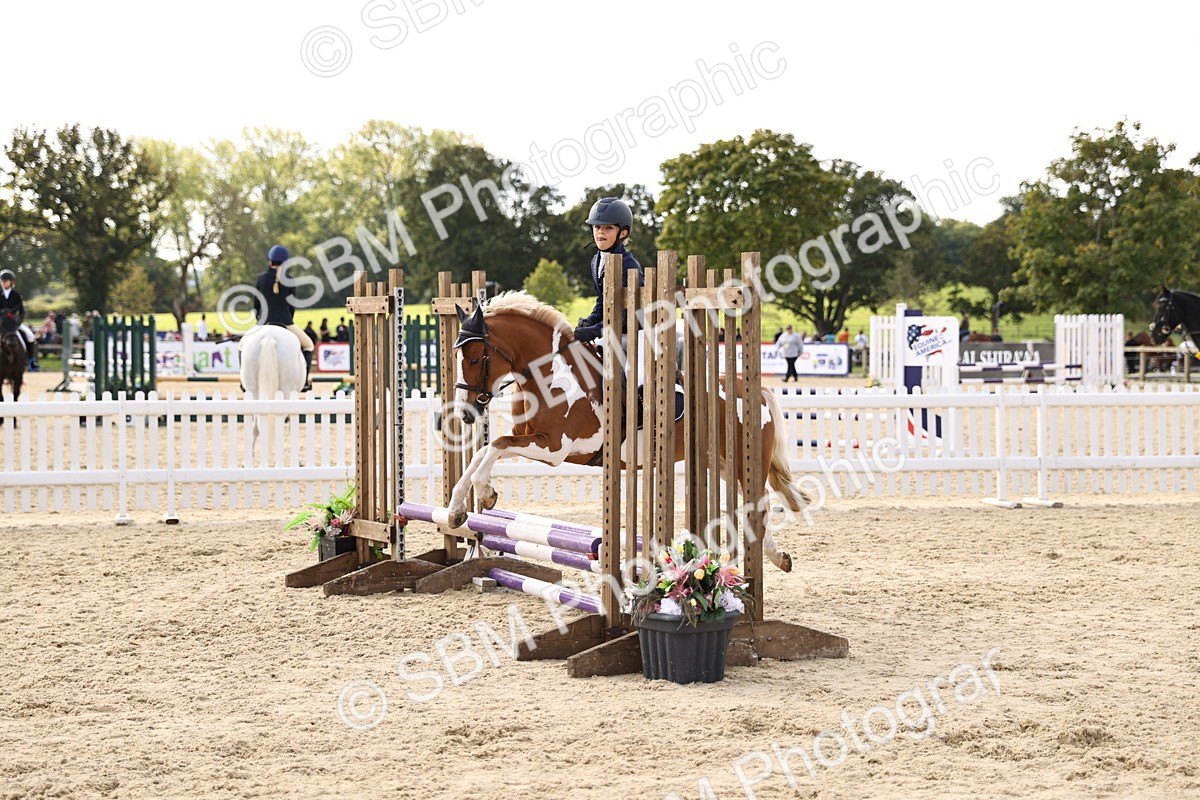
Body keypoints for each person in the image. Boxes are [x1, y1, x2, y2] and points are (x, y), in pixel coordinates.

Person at [572, 197, 643, 344]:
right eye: (597, 227)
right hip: (612, 330)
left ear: (623, 233)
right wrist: (590, 320)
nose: (601, 233)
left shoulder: (629, 265)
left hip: (636, 333)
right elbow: (602, 300)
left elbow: (626, 315)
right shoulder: (596, 261)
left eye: (608, 228)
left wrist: (595, 331)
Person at [252, 244, 315, 391]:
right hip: (286, 322)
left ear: (270, 261)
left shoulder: (260, 279)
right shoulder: (290, 280)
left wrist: (260, 322)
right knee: (309, 345)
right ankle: (304, 380)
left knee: (242, 346)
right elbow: (292, 307)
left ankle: (244, 382)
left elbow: (256, 305)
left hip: (263, 323)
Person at [0, 270, 38, 370]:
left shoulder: (16, 295)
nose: (3, 282)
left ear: (11, 281)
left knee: (30, 336)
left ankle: (31, 361)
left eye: (6, 280)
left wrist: (18, 322)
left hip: (13, 323)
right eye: (2, 280)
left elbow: (21, 312)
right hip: (1, 323)